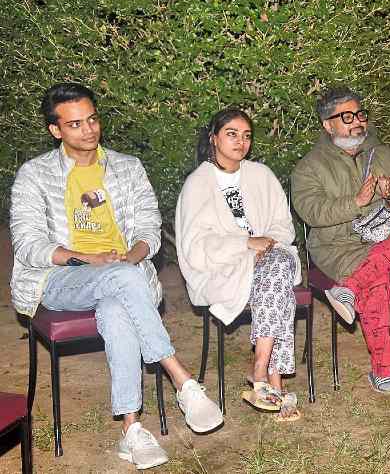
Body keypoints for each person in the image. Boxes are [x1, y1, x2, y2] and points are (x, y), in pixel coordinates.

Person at [9, 83, 223, 470]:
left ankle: (131, 429)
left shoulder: (127, 167)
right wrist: (88, 258)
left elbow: (148, 228)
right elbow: (29, 244)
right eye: (75, 124)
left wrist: (130, 255)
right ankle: (182, 379)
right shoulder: (35, 175)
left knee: (117, 308)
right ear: (55, 130)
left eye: (92, 119)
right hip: (61, 277)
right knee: (121, 279)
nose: (88, 130)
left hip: (124, 271)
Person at [291, 86, 390, 394]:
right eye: (347, 117)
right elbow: (312, 212)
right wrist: (357, 201)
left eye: (360, 114)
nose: (357, 122)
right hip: (338, 246)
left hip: (385, 239)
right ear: (328, 124)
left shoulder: (384, 155)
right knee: (376, 277)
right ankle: (384, 371)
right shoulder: (309, 166)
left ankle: (349, 290)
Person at [175, 109, 302, 417]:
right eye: (231, 134)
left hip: (271, 259)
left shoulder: (261, 175)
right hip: (222, 270)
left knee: (276, 267)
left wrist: (265, 244)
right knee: (279, 280)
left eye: (246, 136)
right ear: (213, 138)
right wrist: (245, 245)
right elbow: (195, 247)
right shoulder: (198, 184)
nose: (241, 142)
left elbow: (284, 227)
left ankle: (261, 372)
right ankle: (275, 382)